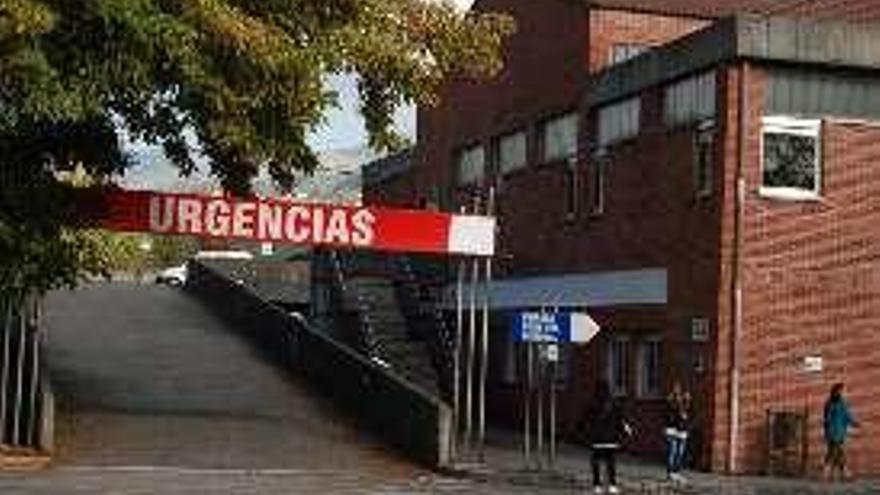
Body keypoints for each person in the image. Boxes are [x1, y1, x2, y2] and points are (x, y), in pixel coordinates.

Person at [581, 380, 632, 494]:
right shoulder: (614, 404)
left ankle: (597, 485)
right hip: (611, 439)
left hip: (597, 439)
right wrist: (626, 432)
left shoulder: (592, 404)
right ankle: (612, 485)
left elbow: (584, 421)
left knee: (595, 461)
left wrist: (582, 433)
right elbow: (621, 421)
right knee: (611, 462)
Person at [823, 382, 859, 481]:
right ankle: (843, 475)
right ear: (837, 391)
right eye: (842, 390)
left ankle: (839, 474)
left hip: (836, 433)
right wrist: (855, 423)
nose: (844, 392)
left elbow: (845, 416)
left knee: (836, 454)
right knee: (834, 454)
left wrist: (854, 423)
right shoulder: (833, 404)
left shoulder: (837, 403)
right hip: (834, 434)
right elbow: (828, 420)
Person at [664, 381, 691, 483]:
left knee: (680, 453)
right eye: (675, 388)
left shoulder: (685, 401)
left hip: (682, 429)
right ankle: (670, 473)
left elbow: (687, 415)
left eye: (679, 389)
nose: (677, 391)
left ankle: (677, 472)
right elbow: (668, 415)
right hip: (672, 429)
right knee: (672, 451)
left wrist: (686, 403)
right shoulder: (670, 401)